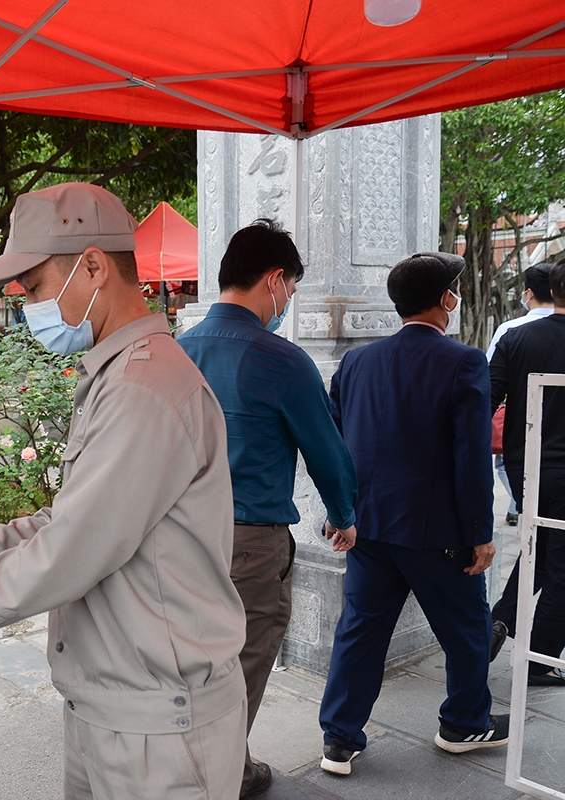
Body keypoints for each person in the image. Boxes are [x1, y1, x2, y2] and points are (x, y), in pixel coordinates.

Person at [0, 182, 247, 800]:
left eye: (36, 287)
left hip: (157, 727)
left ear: (94, 266)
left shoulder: (143, 391)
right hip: (113, 707)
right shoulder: (117, 374)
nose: (28, 306)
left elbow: (71, 550)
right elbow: (69, 520)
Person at [176, 219, 358, 798]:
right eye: (292, 290)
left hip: (177, 538)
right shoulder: (281, 359)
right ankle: (219, 775)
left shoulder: (176, 352)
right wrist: (343, 513)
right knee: (243, 665)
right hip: (250, 544)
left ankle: (202, 764)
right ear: (275, 280)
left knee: (187, 661)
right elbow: (328, 453)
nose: (287, 305)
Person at [318, 252, 506, 776]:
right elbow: (470, 457)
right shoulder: (464, 361)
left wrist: (340, 513)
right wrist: (480, 533)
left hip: (369, 527)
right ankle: (465, 723)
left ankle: (339, 738)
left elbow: (336, 445)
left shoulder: (357, 361)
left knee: (360, 631)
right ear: (447, 299)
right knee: (468, 627)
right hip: (435, 532)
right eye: (456, 290)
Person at [488, 260, 565, 685]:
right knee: (561, 570)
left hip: (526, 464)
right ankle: (539, 660)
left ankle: (499, 620)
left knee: (538, 546)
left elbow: (486, 397)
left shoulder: (517, 337)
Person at [487, 263, 555, 527]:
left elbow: (491, 385)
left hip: (523, 437)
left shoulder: (510, 331)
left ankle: (518, 508)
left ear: (527, 293)